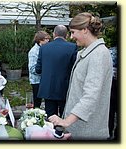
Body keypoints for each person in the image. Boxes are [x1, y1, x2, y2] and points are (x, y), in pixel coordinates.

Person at [48, 12, 113, 140]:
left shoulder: (99, 54)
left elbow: (91, 95)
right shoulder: (88, 52)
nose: (71, 37)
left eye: (73, 32)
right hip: (78, 129)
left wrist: (66, 121)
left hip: (89, 132)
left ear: (84, 30)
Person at [35, 25, 77, 117]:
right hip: (65, 87)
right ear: (66, 35)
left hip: (48, 87)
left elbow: (38, 69)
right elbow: (75, 68)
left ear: (54, 34)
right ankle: (63, 131)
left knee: (50, 117)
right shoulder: (73, 47)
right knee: (64, 116)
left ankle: (51, 131)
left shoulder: (44, 48)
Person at [28, 31, 50, 108]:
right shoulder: (34, 51)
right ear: (40, 40)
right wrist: (45, 71)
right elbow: (32, 69)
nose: (48, 41)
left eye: (48, 39)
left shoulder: (45, 49)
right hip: (36, 81)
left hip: (44, 80)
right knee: (37, 101)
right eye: (46, 39)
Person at [108, 46, 118, 140]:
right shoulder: (111, 51)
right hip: (112, 86)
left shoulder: (111, 51)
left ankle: (109, 133)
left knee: (110, 112)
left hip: (111, 86)